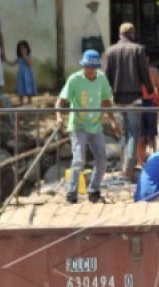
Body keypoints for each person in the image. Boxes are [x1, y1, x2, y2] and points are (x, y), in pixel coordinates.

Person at [55, 50, 120, 204]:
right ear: (83, 66)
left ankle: (94, 191)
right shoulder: (74, 80)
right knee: (79, 160)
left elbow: (106, 101)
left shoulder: (102, 79)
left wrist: (113, 121)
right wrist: (58, 116)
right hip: (78, 125)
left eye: (93, 67)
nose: (90, 70)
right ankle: (71, 193)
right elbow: (60, 101)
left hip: (96, 126)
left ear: (97, 68)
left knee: (102, 160)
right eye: (87, 67)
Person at [103, 22, 154, 181]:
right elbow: (144, 73)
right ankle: (129, 169)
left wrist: (107, 94)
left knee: (124, 132)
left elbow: (107, 77)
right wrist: (150, 89)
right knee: (133, 132)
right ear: (132, 33)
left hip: (117, 98)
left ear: (119, 34)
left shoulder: (110, 51)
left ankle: (124, 165)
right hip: (134, 98)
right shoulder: (138, 49)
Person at [137, 53, 159, 165]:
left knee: (151, 135)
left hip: (149, 103)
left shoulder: (153, 71)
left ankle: (151, 160)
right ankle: (141, 161)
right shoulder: (135, 72)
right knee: (142, 136)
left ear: (148, 58)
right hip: (141, 104)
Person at [10, 40, 36, 105]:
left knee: (29, 91)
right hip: (21, 76)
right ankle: (21, 104)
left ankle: (30, 104)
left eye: (24, 48)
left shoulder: (29, 56)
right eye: (20, 49)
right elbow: (12, 63)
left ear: (27, 48)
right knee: (21, 90)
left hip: (28, 76)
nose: (22, 50)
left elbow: (29, 64)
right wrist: (5, 60)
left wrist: (25, 56)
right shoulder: (19, 58)